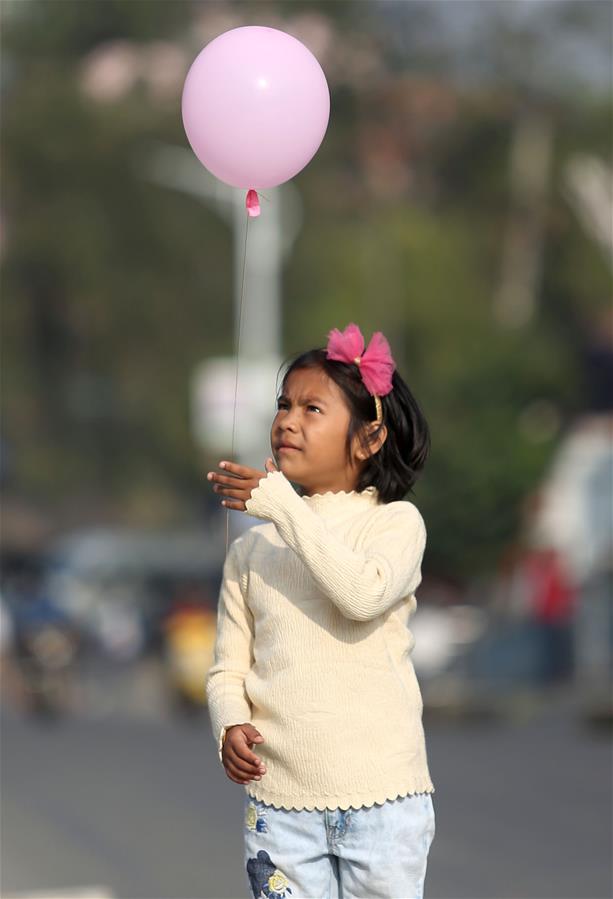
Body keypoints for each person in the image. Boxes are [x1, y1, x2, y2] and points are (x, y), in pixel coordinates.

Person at [206, 322, 436, 899]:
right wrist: (229, 720)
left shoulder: (395, 524)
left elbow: (362, 596)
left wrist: (283, 506)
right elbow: (226, 668)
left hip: (383, 800)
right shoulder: (252, 550)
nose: (287, 420)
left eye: (313, 408)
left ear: (369, 438)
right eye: (284, 405)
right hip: (279, 804)